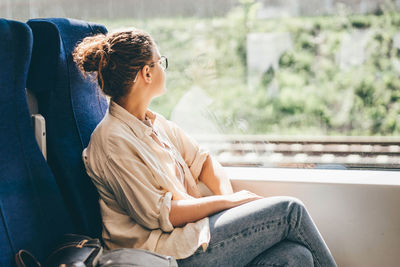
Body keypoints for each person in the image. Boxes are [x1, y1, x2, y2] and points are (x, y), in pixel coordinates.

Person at [73, 29, 337, 267]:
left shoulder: (155, 123)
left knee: (295, 257)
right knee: (290, 211)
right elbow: (161, 215)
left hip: (193, 234)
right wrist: (227, 201)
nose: (164, 69)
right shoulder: (111, 141)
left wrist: (231, 205)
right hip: (165, 254)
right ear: (147, 72)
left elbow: (204, 161)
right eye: (160, 62)